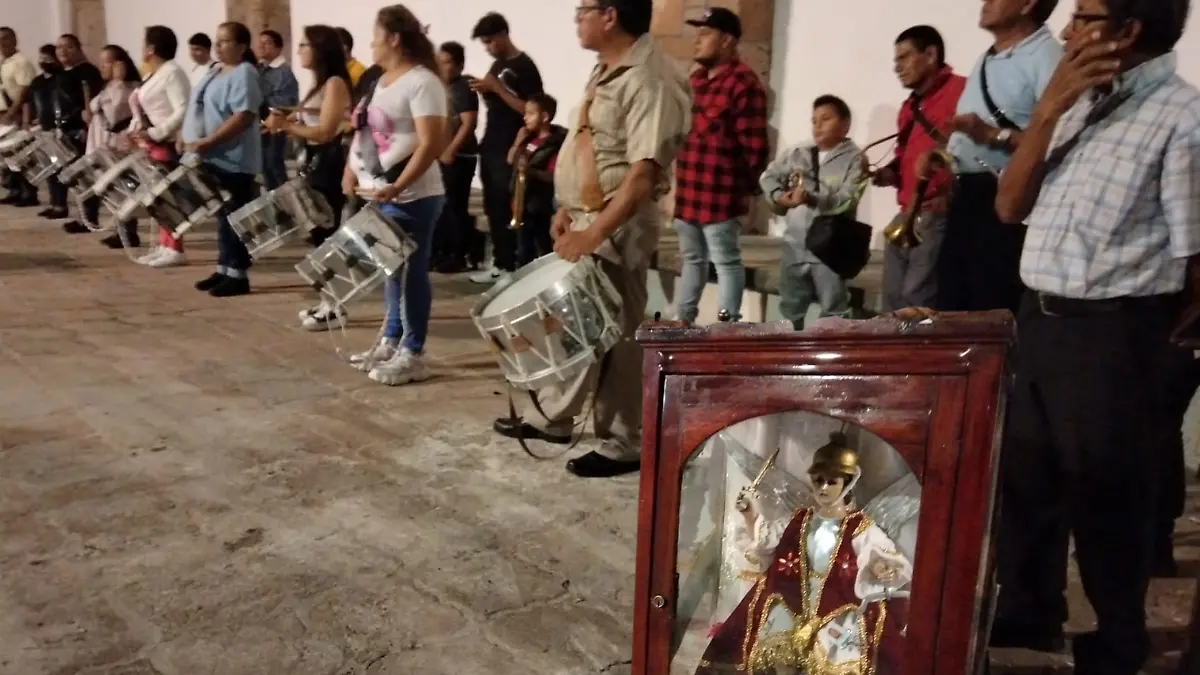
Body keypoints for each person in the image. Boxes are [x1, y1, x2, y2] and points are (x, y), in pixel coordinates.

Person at [990, 0, 1198, 673]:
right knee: (1026, 479)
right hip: (1039, 315)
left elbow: (1198, 257)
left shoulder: (1182, 118)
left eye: (1085, 15)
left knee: (1107, 494)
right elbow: (1008, 204)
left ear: (1127, 30)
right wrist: (1047, 109)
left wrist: (1156, 352)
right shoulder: (1079, 104)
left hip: (1114, 329)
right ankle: (1031, 607)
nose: (1071, 29)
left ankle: (1117, 634)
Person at [491, 0, 690, 478]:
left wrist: (594, 231)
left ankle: (624, 442)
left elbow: (642, 174)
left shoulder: (649, 77)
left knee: (615, 332)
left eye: (583, 9)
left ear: (611, 15)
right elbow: (593, 146)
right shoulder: (607, 70)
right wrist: (567, 207)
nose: (576, 17)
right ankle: (557, 419)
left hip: (617, 225)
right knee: (580, 324)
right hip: (588, 217)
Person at [342, 4, 447, 386]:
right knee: (391, 269)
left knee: (412, 273)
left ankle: (414, 351)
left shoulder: (423, 82)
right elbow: (364, 132)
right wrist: (350, 169)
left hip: (415, 196)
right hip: (379, 194)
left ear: (394, 38)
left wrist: (400, 185)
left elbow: (431, 141)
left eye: (375, 34)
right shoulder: (380, 81)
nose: (371, 42)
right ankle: (391, 338)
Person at [937, 0, 1063, 314]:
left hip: (1005, 202)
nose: (986, 2)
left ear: (1027, 4)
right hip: (965, 197)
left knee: (990, 310)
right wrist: (943, 158)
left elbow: (1059, 144)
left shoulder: (1048, 58)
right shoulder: (986, 59)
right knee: (953, 308)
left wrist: (993, 135)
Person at [673, 7, 770, 324]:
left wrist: (739, 189)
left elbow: (755, 149)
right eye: (696, 33)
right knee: (691, 259)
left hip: (720, 196)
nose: (697, 41)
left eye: (705, 34)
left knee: (726, 261)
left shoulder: (744, 84)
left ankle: (727, 326)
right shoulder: (696, 80)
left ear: (727, 40)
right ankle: (683, 319)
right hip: (689, 191)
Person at [264, 24, 352, 331]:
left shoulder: (336, 83)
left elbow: (325, 130)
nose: (299, 50)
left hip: (328, 165)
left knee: (326, 235)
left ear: (320, 48)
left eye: (304, 45)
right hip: (313, 162)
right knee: (317, 236)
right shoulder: (320, 84)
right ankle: (328, 298)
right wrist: (286, 120)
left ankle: (336, 304)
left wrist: (287, 127)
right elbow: (307, 118)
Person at [873, 26, 965, 312]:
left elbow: (972, 153)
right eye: (895, 59)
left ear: (930, 54)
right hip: (908, 212)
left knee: (917, 297)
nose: (897, 67)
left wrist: (949, 196)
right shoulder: (908, 108)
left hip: (937, 212)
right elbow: (903, 159)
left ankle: (915, 354)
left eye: (904, 57)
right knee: (891, 297)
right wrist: (884, 174)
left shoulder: (961, 91)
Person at [760, 95, 866, 326]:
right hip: (795, 245)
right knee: (789, 309)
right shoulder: (798, 152)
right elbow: (768, 177)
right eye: (814, 120)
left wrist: (812, 198)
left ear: (845, 124)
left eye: (825, 119)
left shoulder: (856, 158)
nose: (817, 126)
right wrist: (781, 196)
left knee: (834, 309)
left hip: (830, 248)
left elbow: (849, 199)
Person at [183, 21, 264, 298]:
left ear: (241, 46)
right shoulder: (215, 71)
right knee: (222, 215)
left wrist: (209, 141)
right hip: (209, 155)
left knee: (234, 215)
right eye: (217, 41)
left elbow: (243, 116)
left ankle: (238, 274)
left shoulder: (244, 73)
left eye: (225, 41)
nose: (217, 46)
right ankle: (224, 267)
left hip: (233, 157)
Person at [467, 12, 544, 284]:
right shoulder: (497, 65)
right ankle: (500, 262)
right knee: (492, 206)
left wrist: (498, 90)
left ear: (502, 34)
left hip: (511, 144)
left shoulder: (524, 66)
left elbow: (532, 109)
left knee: (508, 205)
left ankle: (512, 265)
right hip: (491, 142)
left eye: (490, 41)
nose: (488, 48)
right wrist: (484, 88)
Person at [129, 25, 193, 268]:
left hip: (166, 141)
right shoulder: (154, 73)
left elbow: (182, 109)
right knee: (158, 196)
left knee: (169, 195)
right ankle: (164, 244)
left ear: (152, 48)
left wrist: (157, 132)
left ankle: (175, 247)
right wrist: (136, 131)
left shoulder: (173, 72)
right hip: (150, 142)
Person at [82, 45, 139, 247]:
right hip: (100, 139)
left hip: (117, 141)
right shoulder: (108, 86)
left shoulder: (128, 86)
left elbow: (116, 113)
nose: (102, 66)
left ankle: (128, 232)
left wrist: (120, 82)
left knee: (123, 187)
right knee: (111, 189)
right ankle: (119, 229)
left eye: (107, 62)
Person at [432, 40, 481, 274]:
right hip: (441, 156)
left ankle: (459, 253)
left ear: (459, 65)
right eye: (439, 62)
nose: (442, 67)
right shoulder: (440, 87)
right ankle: (442, 251)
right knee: (442, 206)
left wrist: (451, 149)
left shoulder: (463, 88)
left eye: (447, 62)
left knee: (455, 206)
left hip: (459, 156)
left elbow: (468, 123)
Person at [49, 34, 103, 233]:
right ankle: (82, 216)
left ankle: (89, 218)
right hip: (65, 131)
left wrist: (85, 126)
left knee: (86, 176)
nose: (62, 51)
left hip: (81, 131)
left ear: (79, 48)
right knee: (76, 179)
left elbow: (93, 102)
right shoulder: (62, 74)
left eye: (68, 47)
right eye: (59, 47)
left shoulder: (88, 72)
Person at [507, 93, 566, 267]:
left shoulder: (555, 142)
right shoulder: (528, 138)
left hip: (540, 204)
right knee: (523, 246)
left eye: (531, 113)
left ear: (545, 116)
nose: (525, 117)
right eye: (525, 113)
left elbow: (552, 175)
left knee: (541, 245)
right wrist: (518, 142)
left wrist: (530, 171)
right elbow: (511, 160)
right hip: (522, 201)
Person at [0, 27, 39, 207]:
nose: (2, 42)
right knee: (8, 155)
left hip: (16, 112)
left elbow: (25, 90)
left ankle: (29, 192)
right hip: (4, 112)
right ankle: (14, 189)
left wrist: (13, 112)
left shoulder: (21, 62)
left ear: (15, 40)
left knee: (21, 154)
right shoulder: (3, 61)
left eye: (6, 38)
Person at [257, 30, 298, 191]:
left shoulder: (284, 72)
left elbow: (284, 103)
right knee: (266, 169)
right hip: (261, 126)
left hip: (275, 126)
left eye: (267, 43)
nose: (261, 46)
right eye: (260, 42)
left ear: (278, 48)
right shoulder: (259, 69)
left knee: (274, 166)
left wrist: (268, 119)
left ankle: (287, 204)